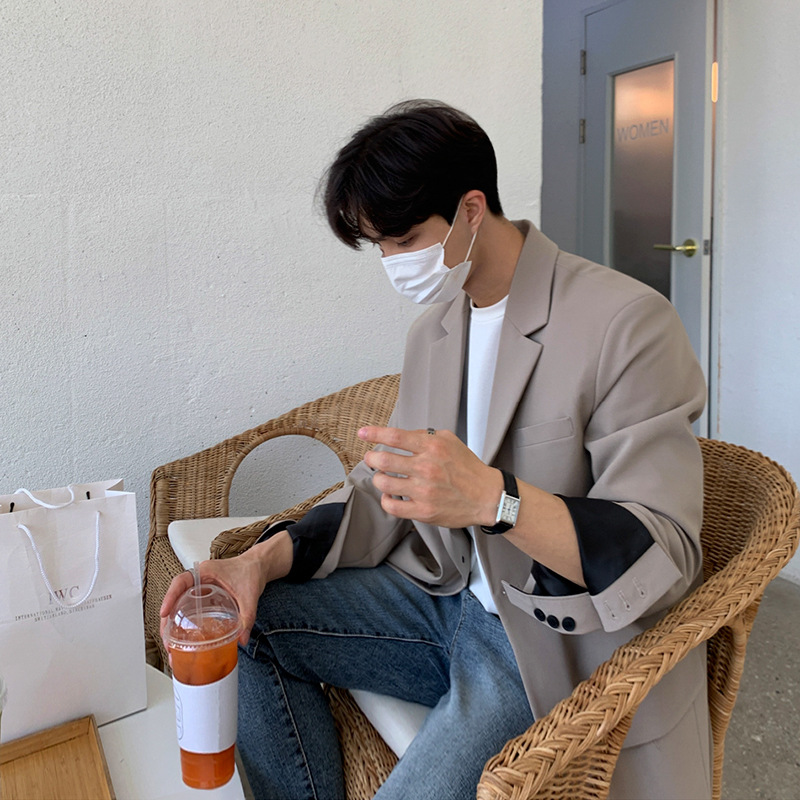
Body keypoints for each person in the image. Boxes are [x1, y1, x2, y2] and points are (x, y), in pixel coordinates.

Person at [161, 100, 711, 799]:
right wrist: (258, 561)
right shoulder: (436, 332)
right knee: (249, 624)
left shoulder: (624, 322)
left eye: (404, 239)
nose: (394, 264)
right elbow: (383, 487)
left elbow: (666, 551)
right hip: (441, 600)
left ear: (472, 209)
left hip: (541, 638)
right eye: (378, 246)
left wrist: (495, 500)